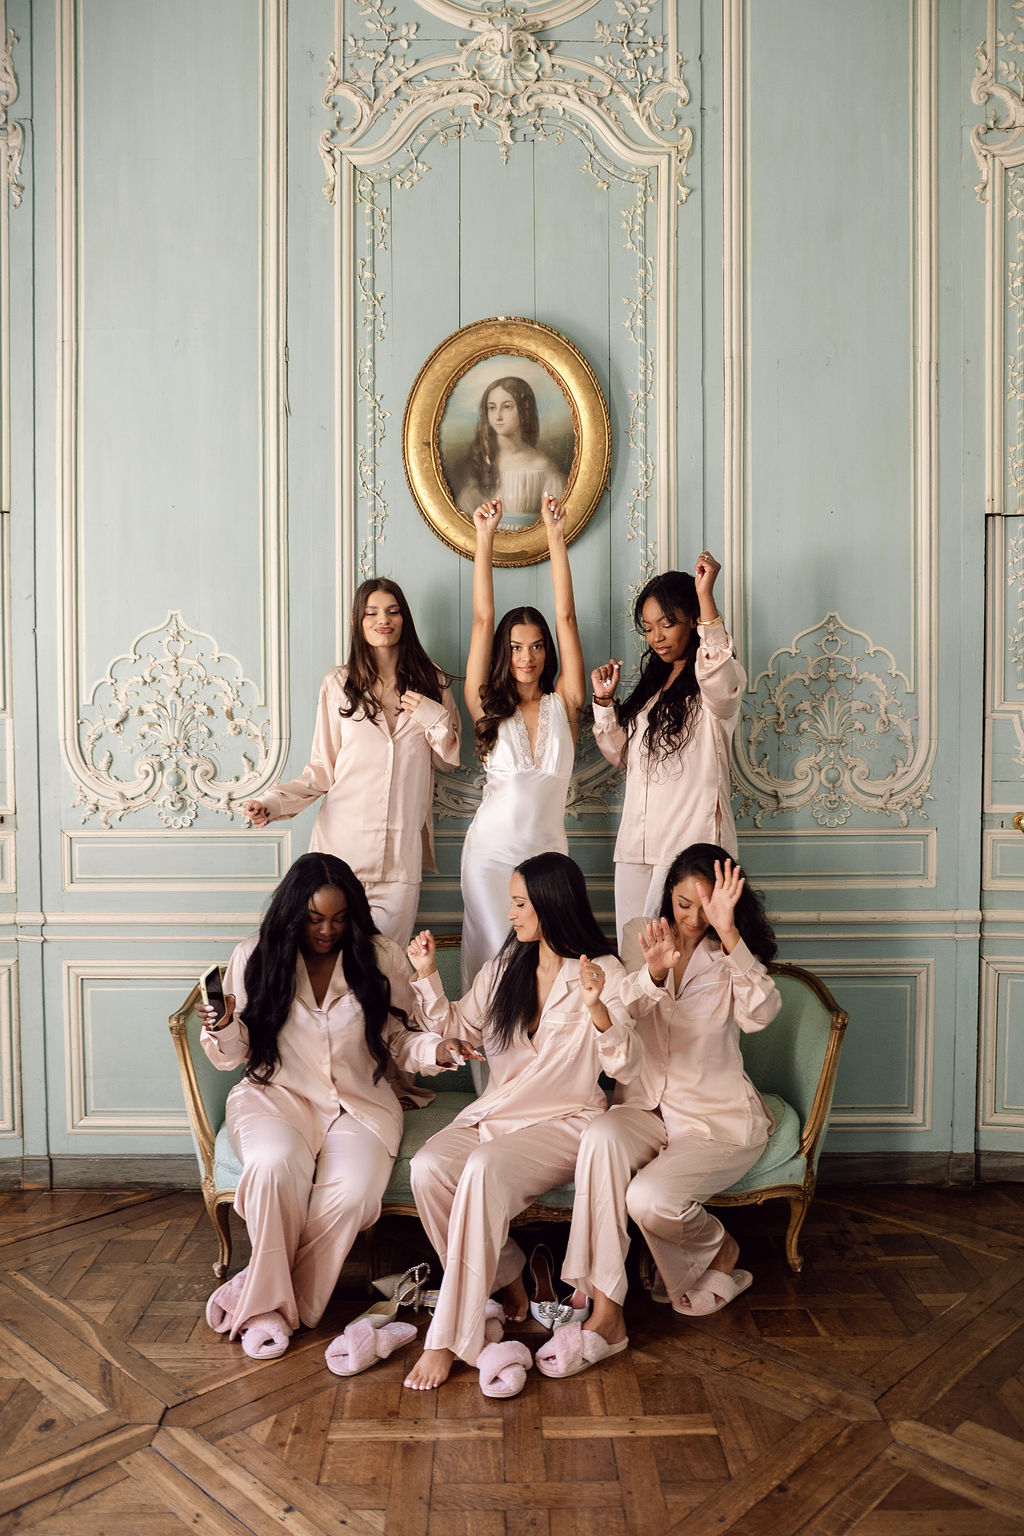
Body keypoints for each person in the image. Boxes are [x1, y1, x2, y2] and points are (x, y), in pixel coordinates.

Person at [197, 853, 467, 1360]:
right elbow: (235, 1056)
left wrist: (437, 1050)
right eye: (315, 918)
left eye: (339, 918)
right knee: (273, 1168)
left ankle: (269, 1305)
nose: (327, 930)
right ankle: (267, 1307)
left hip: (359, 1103)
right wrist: (224, 1026)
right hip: (276, 1096)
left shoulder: (379, 956)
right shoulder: (253, 956)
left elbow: (399, 1038)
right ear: (293, 912)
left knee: (353, 1195)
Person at [401, 852, 642, 1396]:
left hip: (568, 1120)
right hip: (501, 1113)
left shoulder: (605, 970)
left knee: (483, 1168)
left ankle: (447, 1338)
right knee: (429, 1167)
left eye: (518, 903)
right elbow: (462, 1023)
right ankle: (509, 1279)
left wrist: (597, 1004)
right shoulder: (508, 966)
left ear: (551, 903)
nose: (510, 914)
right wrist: (427, 977)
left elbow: (623, 1063)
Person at [535, 845, 779, 1379]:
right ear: (670, 893)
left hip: (713, 1118)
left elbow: (761, 1013)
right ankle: (605, 1309)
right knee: (600, 1135)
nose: (693, 919)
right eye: (684, 903)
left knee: (647, 1199)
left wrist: (729, 933)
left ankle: (720, 1249)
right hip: (645, 1106)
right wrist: (653, 973)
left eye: (707, 908)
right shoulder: (641, 937)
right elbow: (616, 1018)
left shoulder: (730, 957)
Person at [243, 580, 460, 948]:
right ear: (357, 620)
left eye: (392, 611)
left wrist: (432, 715)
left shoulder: (432, 680)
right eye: (372, 612)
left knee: (385, 969)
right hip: (339, 856)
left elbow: (447, 761)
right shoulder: (339, 684)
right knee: (331, 963)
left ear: (404, 618)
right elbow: (320, 771)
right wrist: (271, 803)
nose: (383, 620)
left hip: (399, 861)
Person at [459, 494, 586, 996]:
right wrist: (484, 539)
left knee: (549, 974)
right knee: (497, 966)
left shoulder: (567, 702)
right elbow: (481, 621)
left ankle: (540, 1071)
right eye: (515, 647)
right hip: (490, 857)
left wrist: (556, 536)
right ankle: (492, 1074)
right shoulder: (485, 703)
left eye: (536, 645)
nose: (526, 656)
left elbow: (568, 617)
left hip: (550, 858)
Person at [591, 552, 745, 945]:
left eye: (667, 624)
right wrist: (606, 705)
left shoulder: (715, 690)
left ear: (693, 621)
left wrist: (705, 594)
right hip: (636, 847)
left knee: (687, 962)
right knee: (635, 956)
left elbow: (715, 666)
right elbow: (626, 759)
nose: (656, 636)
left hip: (687, 844)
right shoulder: (651, 690)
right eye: (648, 627)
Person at [456, 376, 567, 527]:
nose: (498, 416)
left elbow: (556, 520)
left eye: (507, 407)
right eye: (492, 407)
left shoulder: (542, 467)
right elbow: (464, 511)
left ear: (523, 410)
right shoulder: (479, 460)